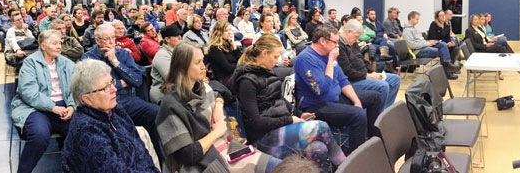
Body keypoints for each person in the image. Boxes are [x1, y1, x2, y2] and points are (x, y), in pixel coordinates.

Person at [157, 42, 281, 173]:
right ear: (182, 67)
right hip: (204, 162)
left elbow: (218, 93)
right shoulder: (170, 106)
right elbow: (188, 156)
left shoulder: (201, 89)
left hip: (224, 149)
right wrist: (218, 132)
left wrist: (218, 105)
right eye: (198, 62)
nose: (203, 67)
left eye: (203, 61)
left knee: (280, 166)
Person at [227, 35, 346, 172]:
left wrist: (299, 114)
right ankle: (345, 167)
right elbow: (255, 122)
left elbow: (280, 101)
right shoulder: (247, 82)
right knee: (320, 126)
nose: (277, 61)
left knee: (319, 148)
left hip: (278, 128)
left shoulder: (266, 71)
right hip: (263, 137)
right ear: (264, 54)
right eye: (275, 57)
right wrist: (289, 119)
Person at [293, 25, 384, 153]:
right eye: (335, 42)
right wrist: (330, 61)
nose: (337, 46)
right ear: (322, 41)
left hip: (335, 98)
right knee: (358, 115)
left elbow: (343, 80)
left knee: (375, 97)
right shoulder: (305, 59)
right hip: (317, 105)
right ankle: (357, 155)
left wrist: (356, 101)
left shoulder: (328, 54)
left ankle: (372, 139)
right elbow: (320, 89)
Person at [61, 59, 161, 173]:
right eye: (105, 88)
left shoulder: (115, 110)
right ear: (87, 99)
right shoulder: (87, 130)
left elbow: (141, 151)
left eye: (111, 82)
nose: (114, 89)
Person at [10, 30, 76, 173]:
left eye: (60, 43)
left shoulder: (68, 64)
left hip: (63, 107)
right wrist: (52, 107)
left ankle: (72, 167)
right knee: (39, 136)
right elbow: (28, 92)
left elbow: (75, 89)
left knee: (82, 129)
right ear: (43, 46)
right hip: (34, 108)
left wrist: (71, 106)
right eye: (54, 43)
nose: (59, 46)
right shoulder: (30, 63)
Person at [80, 24, 159, 129]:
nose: (112, 42)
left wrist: (115, 62)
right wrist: (121, 83)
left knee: (156, 112)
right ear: (97, 41)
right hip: (103, 103)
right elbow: (92, 87)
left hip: (126, 100)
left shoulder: (123, 54)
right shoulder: (88, 58)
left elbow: (137, 80)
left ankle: (153, 145)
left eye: (113, 37)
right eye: (107, 39)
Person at [336, 19, 402, 108]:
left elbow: (363, 60)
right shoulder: (339, 46)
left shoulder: (352, 42)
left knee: (395, 79)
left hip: (363, 75)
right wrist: (368, 76)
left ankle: (385, 109)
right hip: (353, 81)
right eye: (356, 37)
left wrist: (372, 72)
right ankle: (377, 114)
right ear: (348, 32)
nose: (356, 40)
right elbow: (347, 72)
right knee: (383, 85)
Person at [403, 11, 459, 79]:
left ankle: (448, 67)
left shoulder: (414, 29)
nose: (418, 21)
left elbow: (420, 41)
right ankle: (448, 69)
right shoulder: (407, 31)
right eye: (417, 19)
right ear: (411, 18)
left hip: (424, 47)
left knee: (443, 45)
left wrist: (429, 41)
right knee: (443, 51)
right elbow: (412, 45)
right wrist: (427, 43)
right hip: (419, 51)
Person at [206, 21, 241, 101]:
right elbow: (227, 68)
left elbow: (241, 60)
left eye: (230, 30)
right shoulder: (214, 48)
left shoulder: (229, 44)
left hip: (233, 74)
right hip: (224, 79)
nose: (230, 33)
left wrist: (234, 47)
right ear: (219, 32)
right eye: (226, 31)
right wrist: (240, 66)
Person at [150, 25, 184, 103]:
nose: (180, 38)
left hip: (177, 91)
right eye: (176, 36)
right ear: (167, 39)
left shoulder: (178, 51)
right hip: (163, 95)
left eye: (180, 35)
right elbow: (173, 79)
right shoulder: (162, 55)